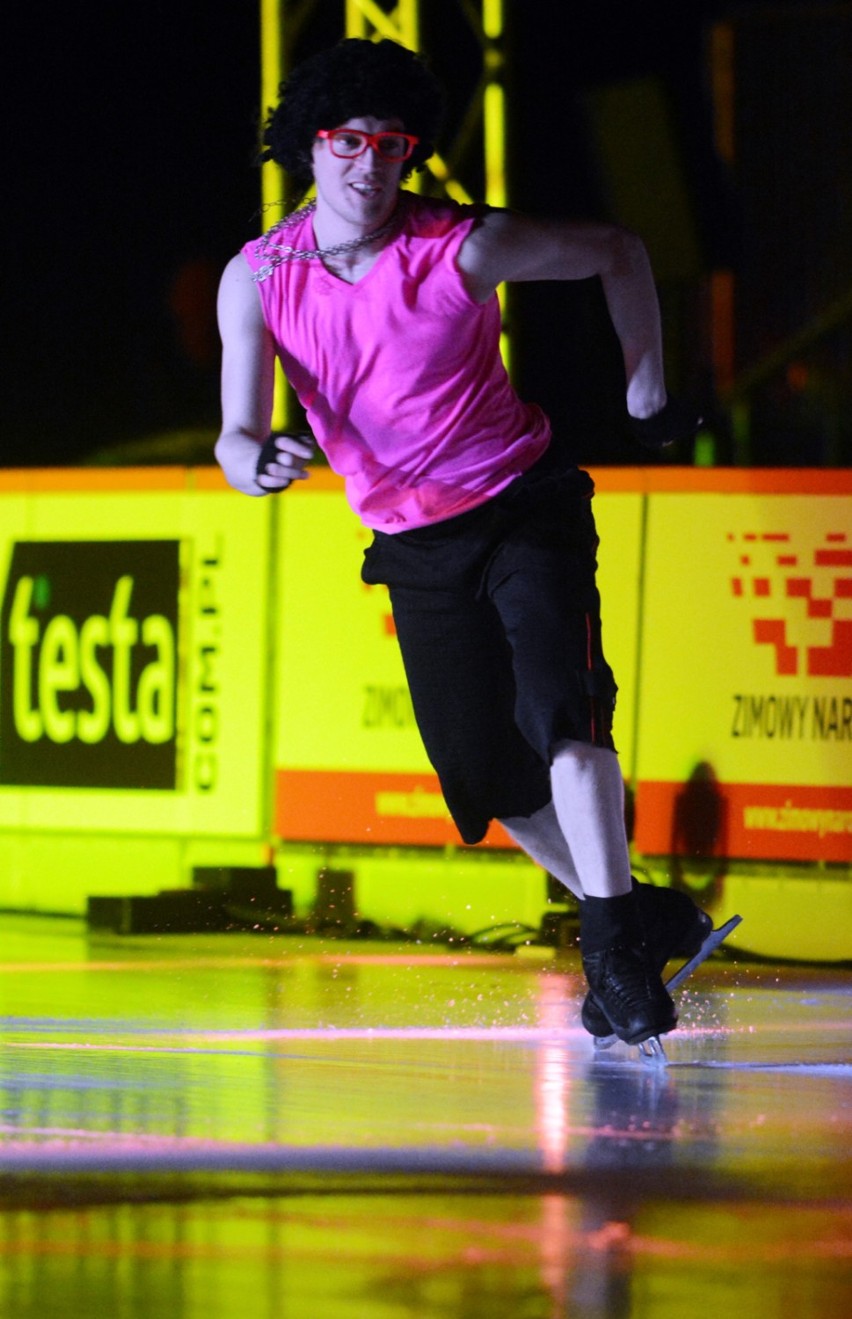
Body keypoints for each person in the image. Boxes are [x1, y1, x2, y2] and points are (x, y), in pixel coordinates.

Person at [216, 38, 710, 1047]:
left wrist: (646, 385)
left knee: (560, 716)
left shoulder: (460, 247)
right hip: (415, 547)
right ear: (308, 146)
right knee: (485, 779)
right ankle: (638, 915)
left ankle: (614, 955)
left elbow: (620, 250)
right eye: (349, 142)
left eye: (391, 147)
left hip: (524, 512)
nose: (370, 166)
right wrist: (249, 457)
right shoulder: (258, 278)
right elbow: (232, 429)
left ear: (411, 154)